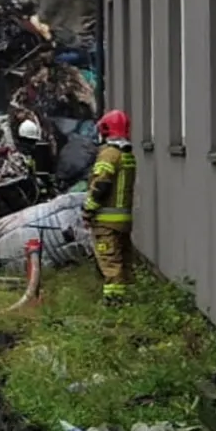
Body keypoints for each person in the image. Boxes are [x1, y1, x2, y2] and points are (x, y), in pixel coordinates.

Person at [84, 109, 137, 304]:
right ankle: (127, 298)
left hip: (106, 220)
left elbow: (101, 185)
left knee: (110, 261)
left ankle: (114, 301)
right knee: (123, 259)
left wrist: (88, 209)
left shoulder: (108, 155)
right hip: (123, 219)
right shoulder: (126, 155)